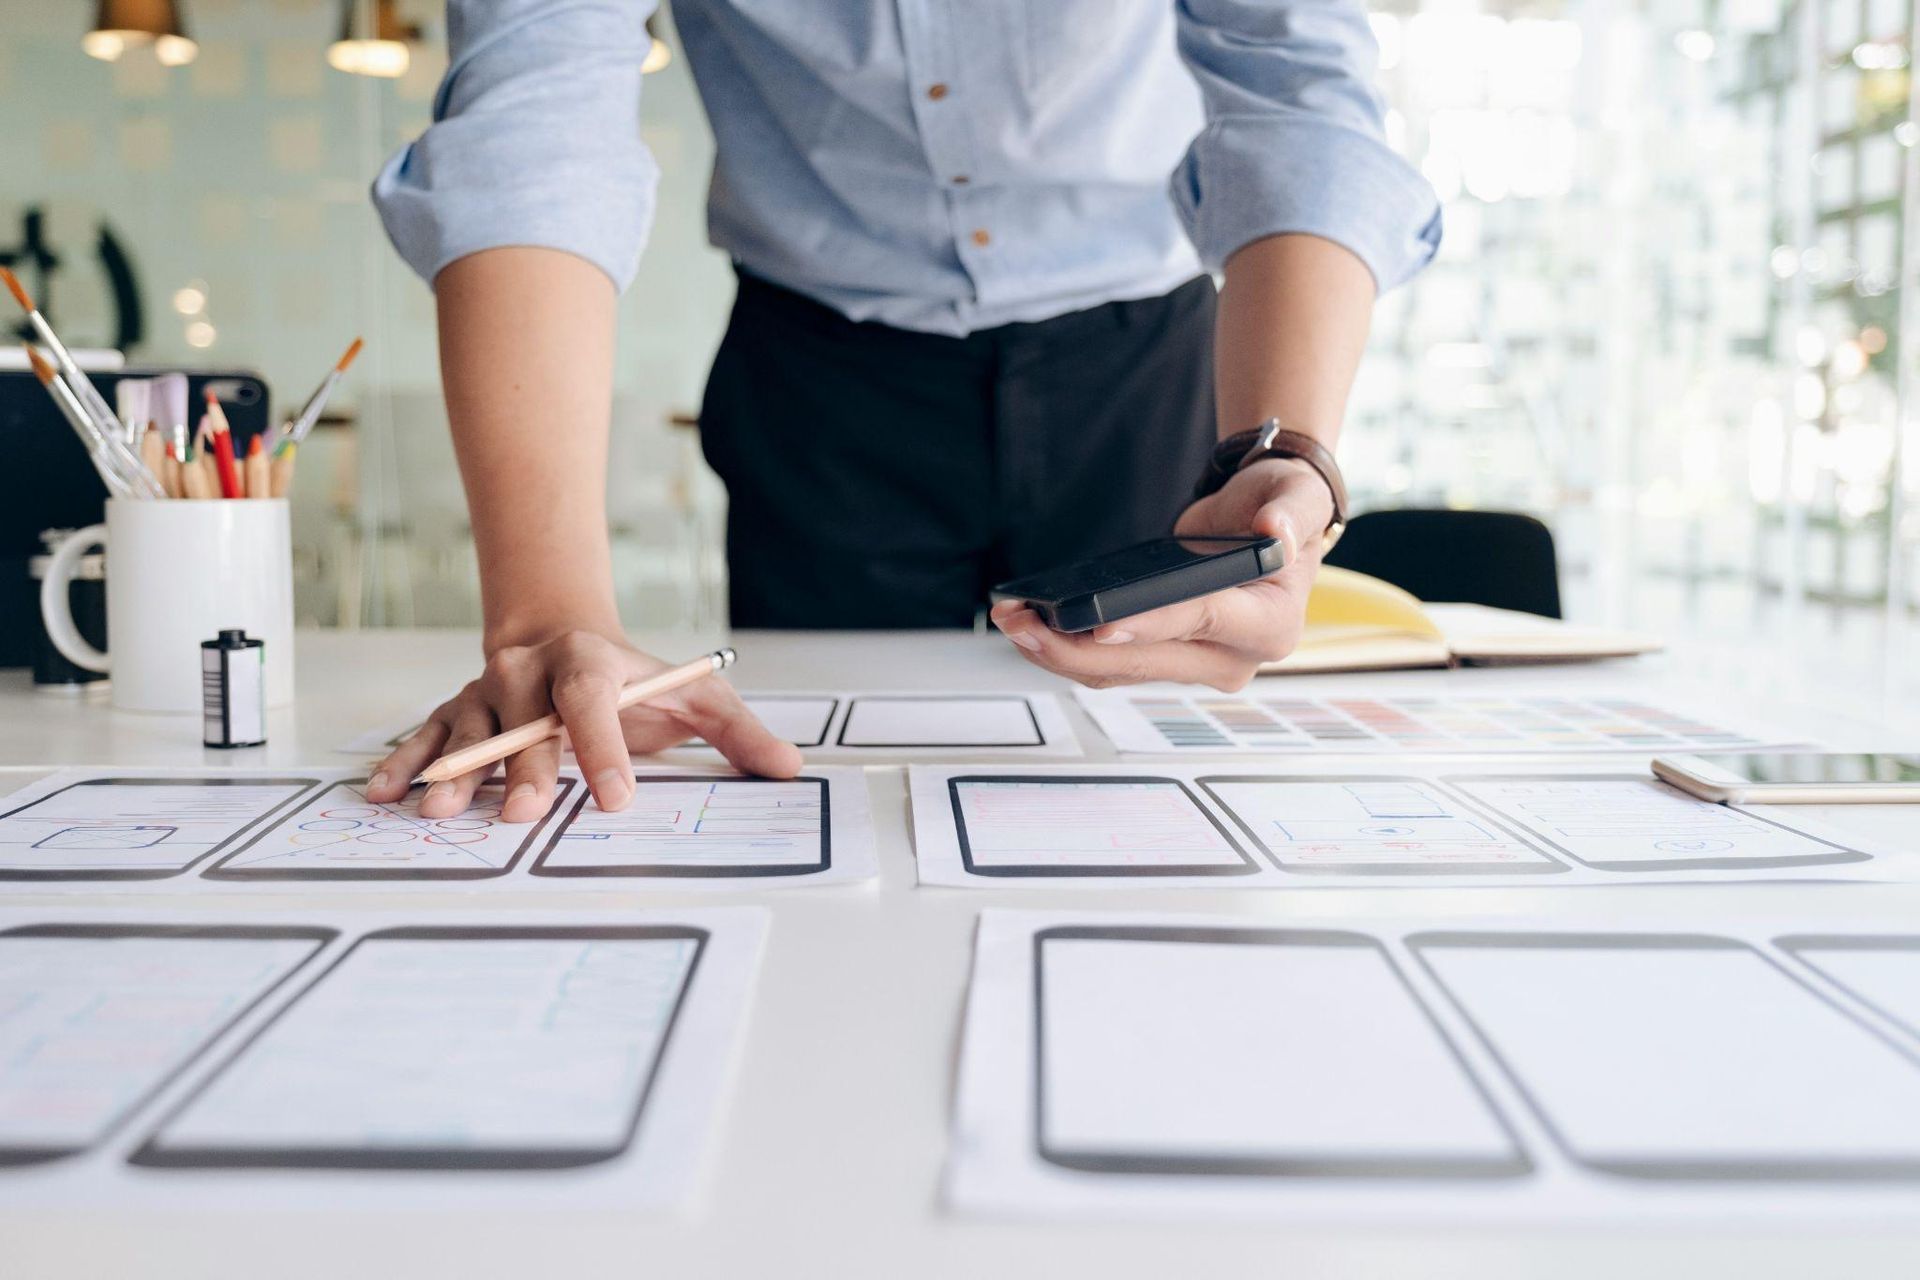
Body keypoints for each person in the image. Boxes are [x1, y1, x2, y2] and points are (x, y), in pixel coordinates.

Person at [364, 0, 1440, 821]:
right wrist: (549, 612)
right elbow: (536, 116)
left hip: (1143, 354)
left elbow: (1296, 84)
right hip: (825, 372)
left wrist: (1282, 446)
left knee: (1143, 785)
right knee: (811, 787)